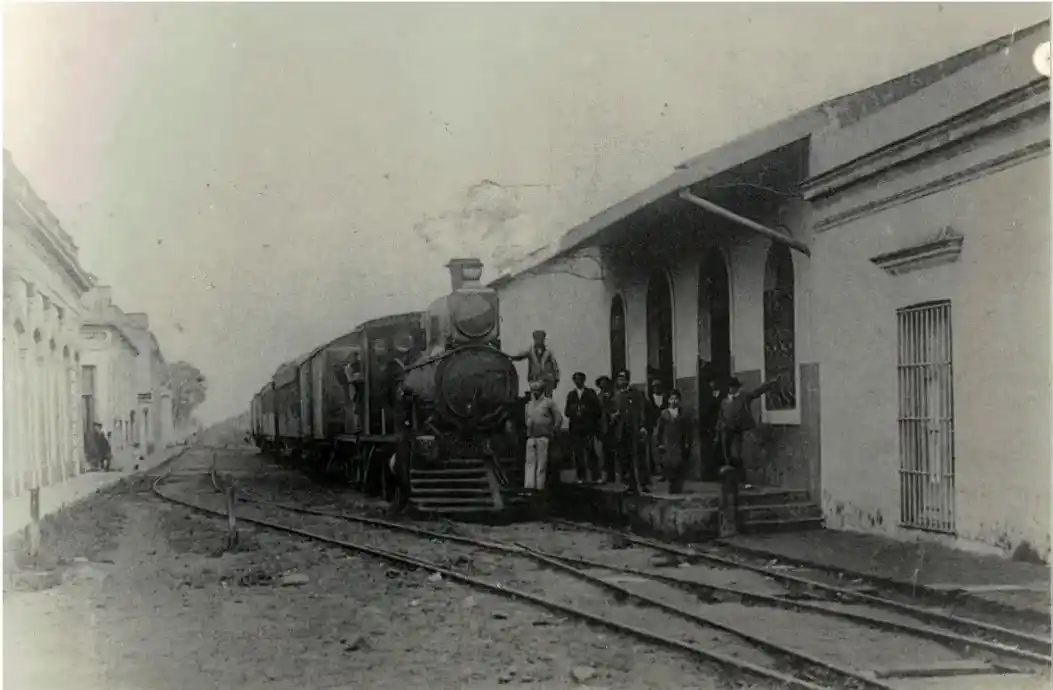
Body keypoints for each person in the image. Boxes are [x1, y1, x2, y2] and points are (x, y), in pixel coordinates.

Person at [717, 376, 781, 486]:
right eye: (731, 387)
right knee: (726, 455)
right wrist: (719, 428)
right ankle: (731, 481)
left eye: (734, 387)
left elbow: (756, 393)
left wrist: (768, 385)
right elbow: (721, 416)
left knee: (737, 454)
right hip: (726, 429)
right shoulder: (724, 401)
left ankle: (742, 480)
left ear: (737, 388)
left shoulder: (744, 396)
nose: (732, 390)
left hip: (738, 429)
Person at [609, 369, 650, 494]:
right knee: (624, 458)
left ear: (627, 380)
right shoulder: (615, 397)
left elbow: (642, 410)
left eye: (623, 378)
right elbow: (609, 415)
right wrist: (613, 417)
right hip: (622, 432)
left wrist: (643, 425)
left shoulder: (636, 394)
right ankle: (629, 484)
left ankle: (642, 484)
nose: (621, 380)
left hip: (635, 429)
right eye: (619, 378)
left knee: (639, 458)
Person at [523, 380, 563, 492]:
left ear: (541, 390)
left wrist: (554, 429)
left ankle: (540, 487)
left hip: (544, 436)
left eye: (537, 390)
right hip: (531, 437)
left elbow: (558, 418)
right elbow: (527, 419)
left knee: (541, 463)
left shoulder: (549, 403)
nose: (535, 392)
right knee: (530, 462)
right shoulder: (529, 405)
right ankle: (529, 486)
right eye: (533, 390)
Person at [565, 372, 602, 483]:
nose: (578, 382)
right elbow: (567, 412)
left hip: (588, 426)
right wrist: (575, 411)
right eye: (576, 379)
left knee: (591, 451)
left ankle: (596, 476)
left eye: (580, 379)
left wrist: (586, 412)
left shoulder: (590, 393)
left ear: (584, 380)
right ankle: (581, 476)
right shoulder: (571, 395)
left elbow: (598, 410)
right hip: (576, 427)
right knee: (578, 453)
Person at [656, 389, 694, 494]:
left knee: (679, 465)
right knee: (669, 466)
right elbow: (659, 431)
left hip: (679, 443)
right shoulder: (664, 414)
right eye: (671, 398)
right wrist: (659, 443)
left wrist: (687, 443)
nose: (674, 401)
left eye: (676, 399)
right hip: (667, 443)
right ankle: (672, 486)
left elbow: (688, 431)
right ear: (668, 400)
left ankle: (678, 487)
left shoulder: (683, 414)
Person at [511, 330, 560, 398]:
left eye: (541, 339)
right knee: (535, 400)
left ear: (544, 339)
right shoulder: (530, 351)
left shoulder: (548, 352)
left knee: (547, 401)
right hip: (535, 380)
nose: (539, 341)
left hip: (547, 381)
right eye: (537, 339)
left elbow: (555, 366)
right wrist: (512, 357)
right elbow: (521, 356)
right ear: (534, 339)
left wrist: (556, 379)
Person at [594, 375, 617, 483]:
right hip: (603, 427)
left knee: (616, 452)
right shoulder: (598, 397)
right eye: (601, 384)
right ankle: (607, 475)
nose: (603, 386)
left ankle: (619, 475)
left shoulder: (615, 396)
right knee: (604, 453)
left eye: (605, 383)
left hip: (615, 427)